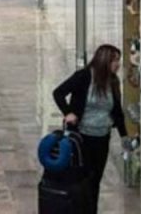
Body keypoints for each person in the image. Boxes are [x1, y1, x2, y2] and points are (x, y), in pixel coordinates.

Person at [53, 45, 128, 213]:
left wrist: (124, 136)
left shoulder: (113, 81)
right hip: (82, 137)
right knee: (82, 179)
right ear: (104, 61)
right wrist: (68, 112)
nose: (118, 64)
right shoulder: (84, 76)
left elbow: (117, 111)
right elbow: (58, 93)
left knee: (95, 180)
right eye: (115, 60)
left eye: (118, 60)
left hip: (102, 137)